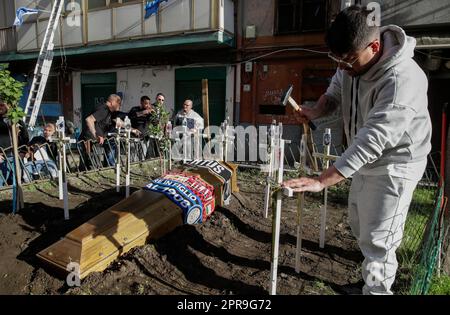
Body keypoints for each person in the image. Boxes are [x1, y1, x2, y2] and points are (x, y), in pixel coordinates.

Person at [282, 5, 432, 295]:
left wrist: (320, 181)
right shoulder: (352, 64)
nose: (341, 67)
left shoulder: (402, 80)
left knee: (379, 240)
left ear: (374, 47)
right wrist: (317, 110)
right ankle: (370, 282)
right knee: (360, 224)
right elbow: (336, 90)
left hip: (394, 165)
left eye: (347, 60)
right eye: (336, 59)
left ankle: (377, 291)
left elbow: (374, 139)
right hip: (364, 159)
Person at [78, 94, 123, 169]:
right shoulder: (103, 109)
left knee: (91, 165)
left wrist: (132, 129)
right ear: (112, 102)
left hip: (94, 140)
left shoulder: (108, 111)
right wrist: (95, 134)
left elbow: (117, 121)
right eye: (118, 103)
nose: (119, 105)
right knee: (90, 165)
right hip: (89, 140)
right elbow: (89, 119)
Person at [0, 100, 29, 186]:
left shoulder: (17, 120)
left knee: (15, 183)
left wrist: (23, 151)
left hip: (16, 155)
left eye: (2, 105)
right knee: (1, 182)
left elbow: (25, 136)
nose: (0, 107)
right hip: (2, 156)